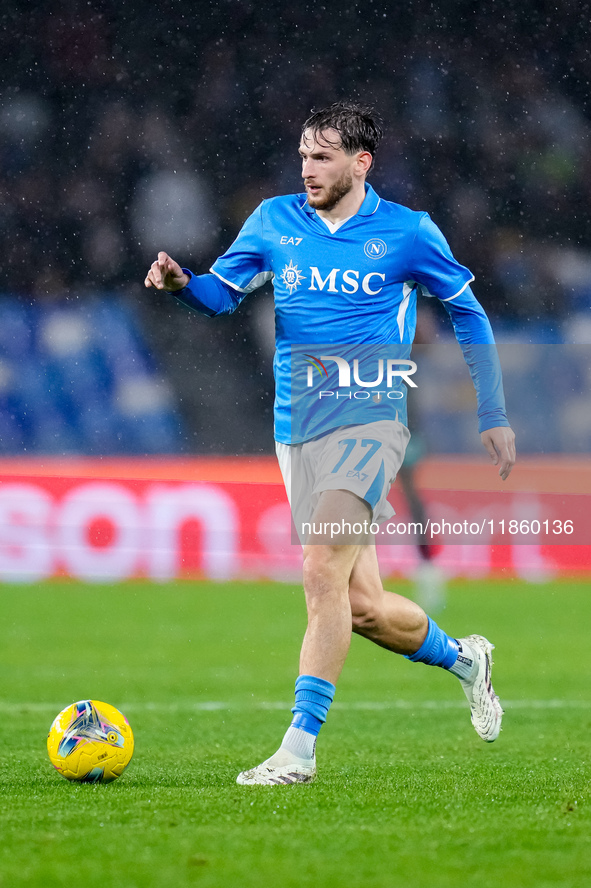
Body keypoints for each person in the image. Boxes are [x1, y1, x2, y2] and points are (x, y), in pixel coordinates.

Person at [144, 102, 516, 786]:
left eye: (322, 157)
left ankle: (298, 750)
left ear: (359, 163)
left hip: (371, 420)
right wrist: (180, 287)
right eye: (303, 156)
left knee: (318, 573)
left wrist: (491, 412)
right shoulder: (272, 221)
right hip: (297, 429)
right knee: (362, 606)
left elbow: (467, 310)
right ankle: (466, 659)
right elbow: (220, 295)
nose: (307, 169)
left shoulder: (407, 232)